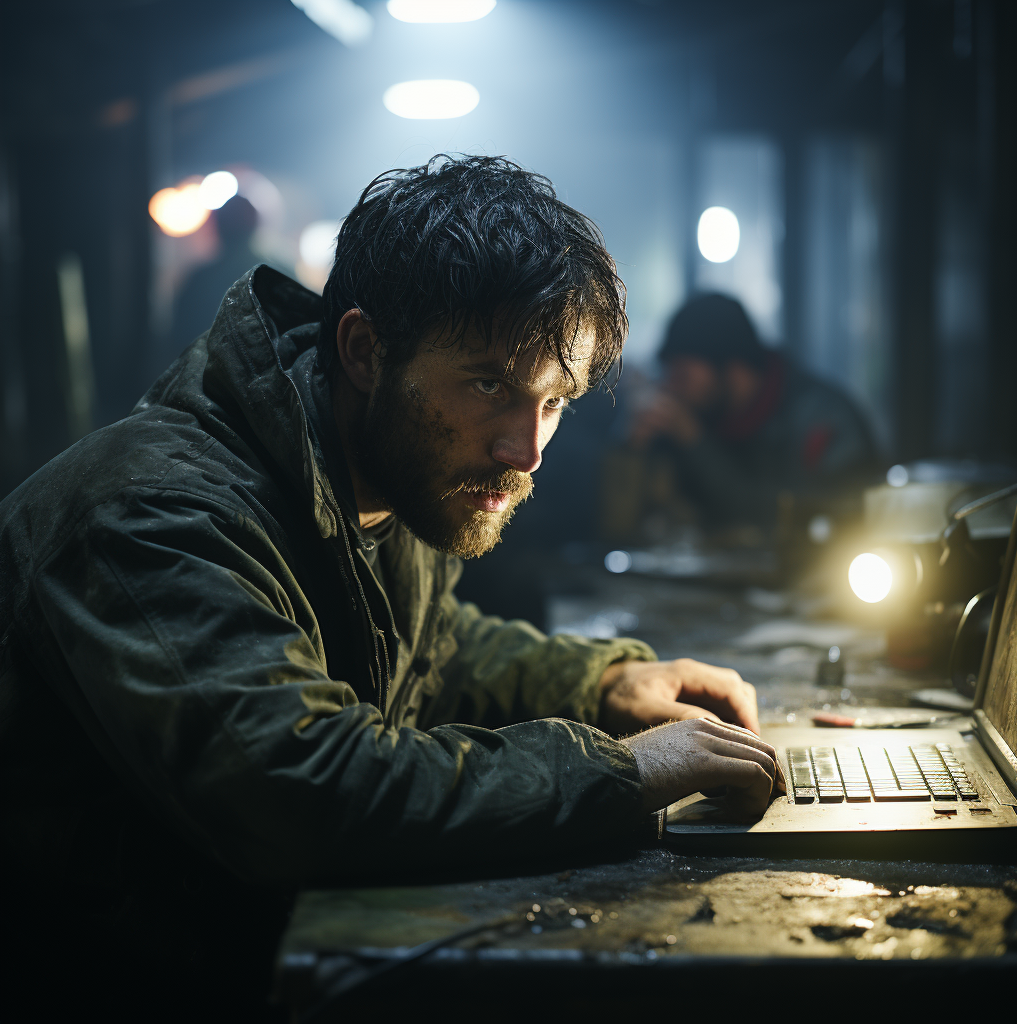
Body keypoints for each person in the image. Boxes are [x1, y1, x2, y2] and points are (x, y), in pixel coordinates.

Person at [0, 157, 782, 1018]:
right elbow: (298, 790)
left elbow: (430, 647)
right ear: (367, 350)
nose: (525, 450)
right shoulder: (151, 516)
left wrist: (601, 682)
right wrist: (615, 772)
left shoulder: (377, 470)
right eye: (490, 384)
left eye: (554, 401)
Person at [631, 293, 878, 529]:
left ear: (733, 369)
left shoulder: (823, 417)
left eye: (683, 375)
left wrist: (696, 443)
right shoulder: (699, 417)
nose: (672, 388)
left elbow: (799, 519)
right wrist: (632, 446)